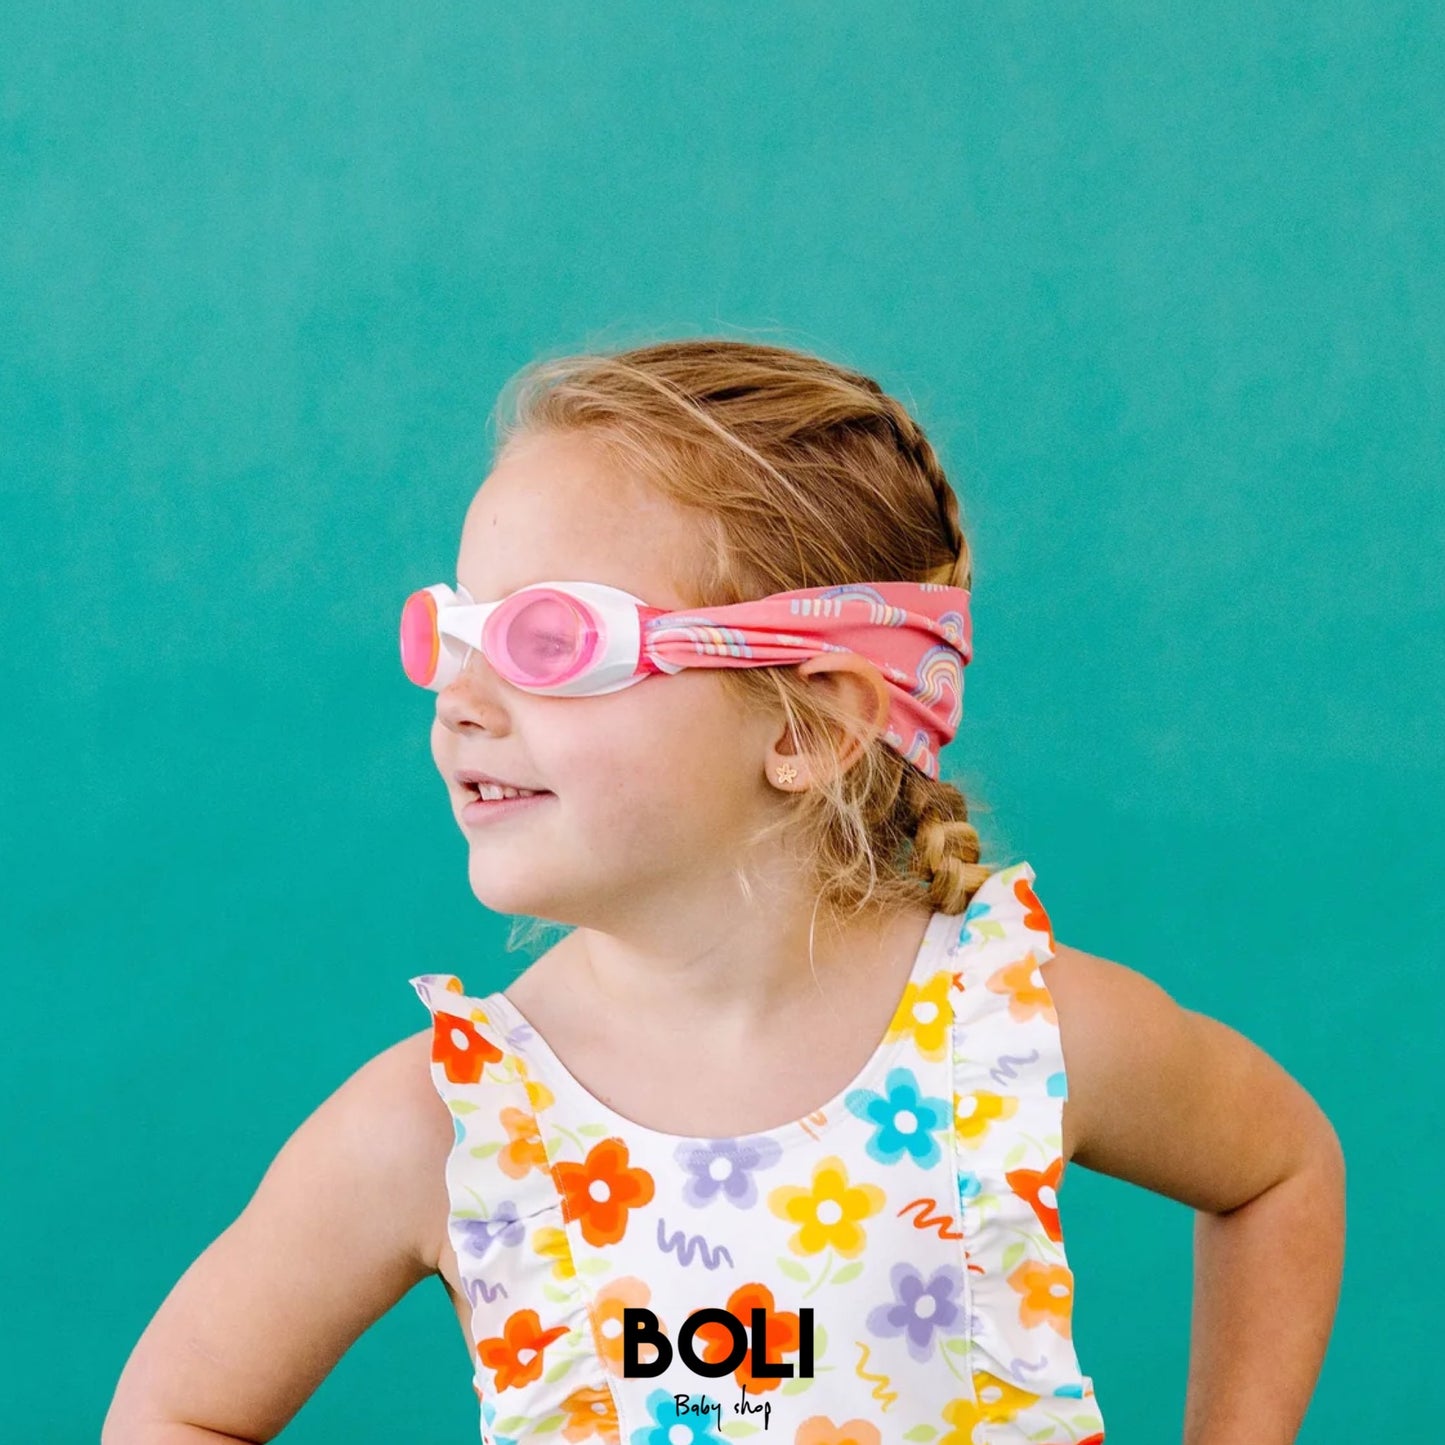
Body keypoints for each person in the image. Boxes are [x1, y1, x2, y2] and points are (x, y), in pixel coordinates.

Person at [104, 340, 1345, 1445]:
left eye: (551, 642)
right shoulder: (445, 1124)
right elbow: (174, 1409)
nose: (460, 701)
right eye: (456, 634)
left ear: (807, 726)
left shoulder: (1015, 1039)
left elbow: (1280, 1168)